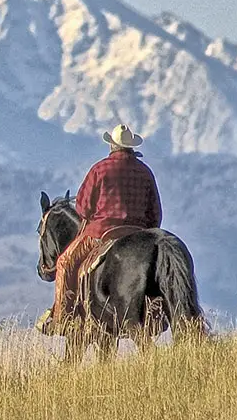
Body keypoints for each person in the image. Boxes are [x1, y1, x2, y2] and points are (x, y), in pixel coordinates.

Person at [39, 124, 162, 331]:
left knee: (65, 263)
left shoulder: (100, 169)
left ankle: (63, 318)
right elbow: (155, 213)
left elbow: (83, 208)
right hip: (140, 235)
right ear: (131, 147)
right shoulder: (145, 172)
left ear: (112, 145)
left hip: (103, 232)